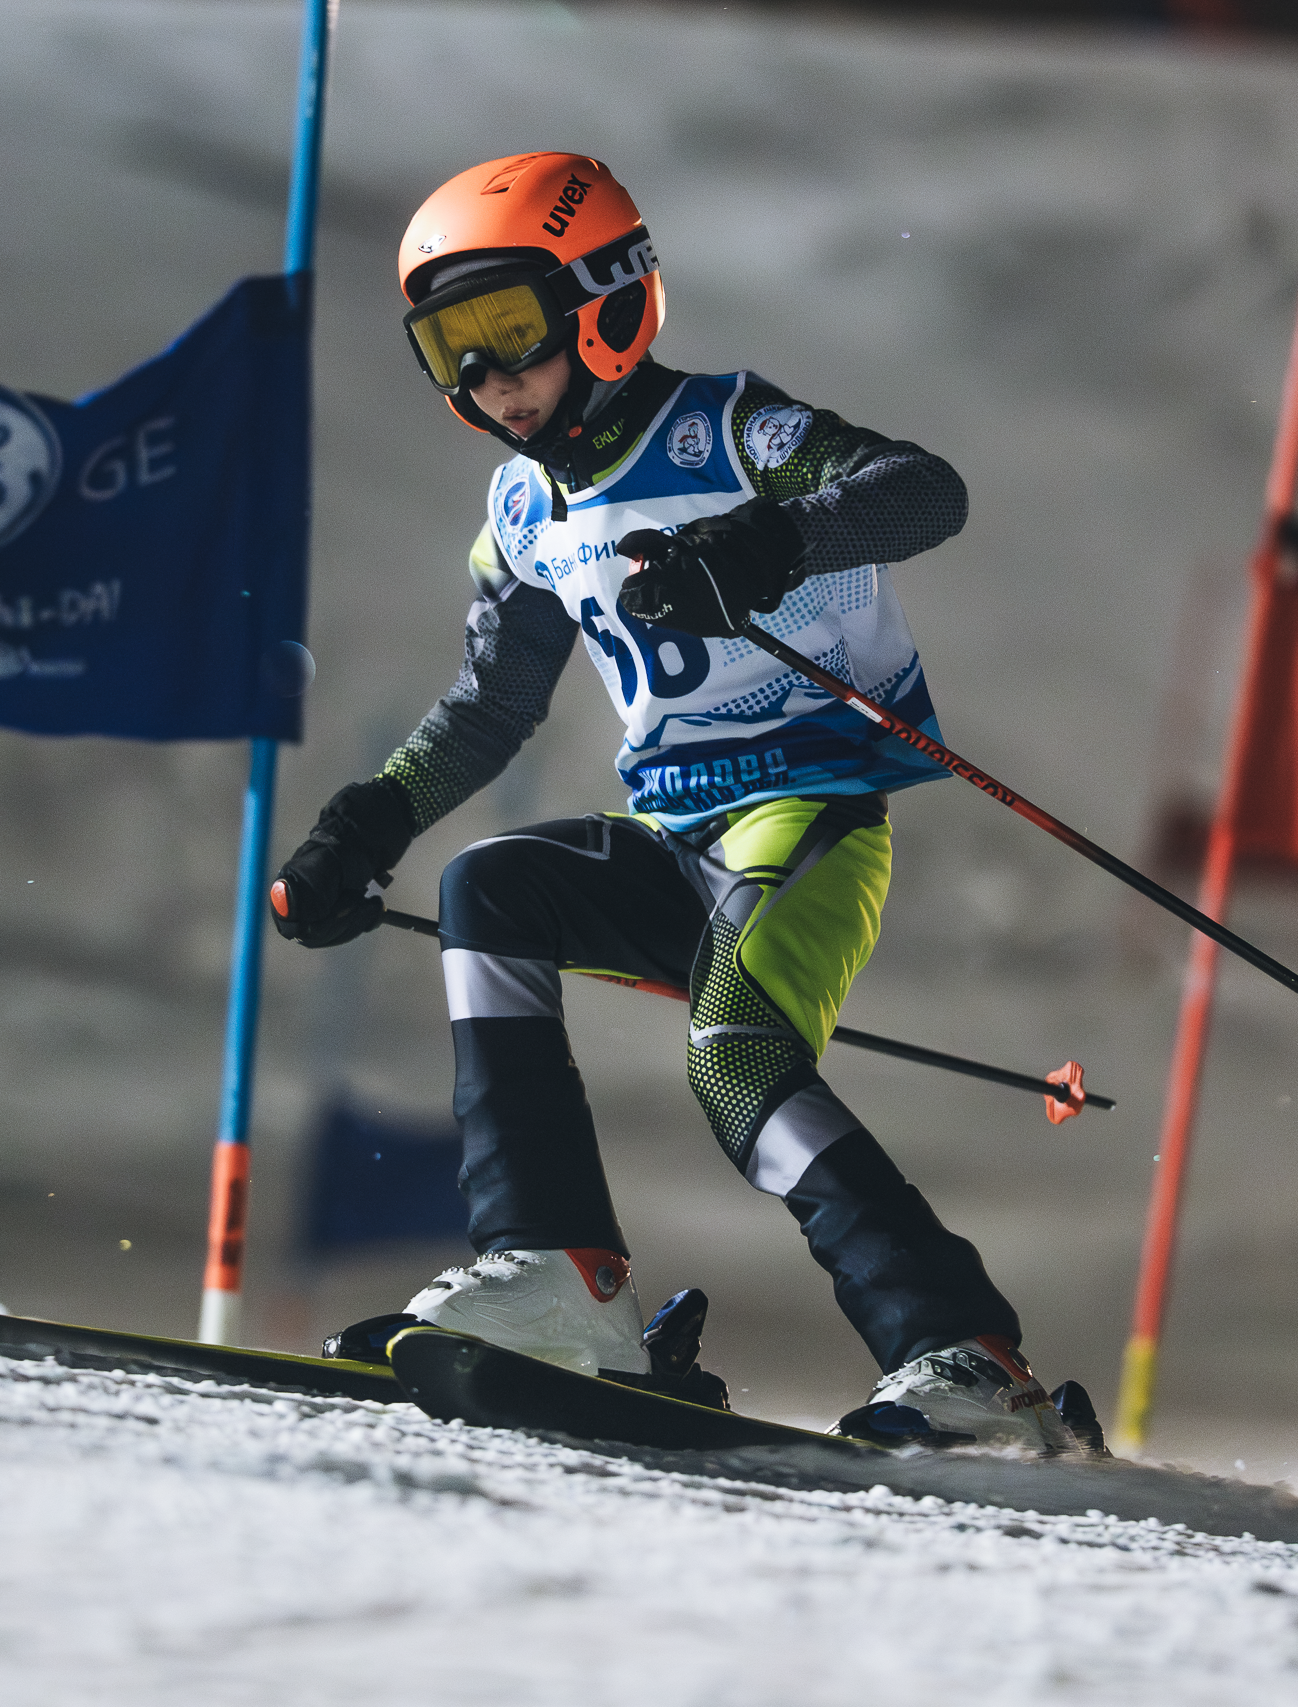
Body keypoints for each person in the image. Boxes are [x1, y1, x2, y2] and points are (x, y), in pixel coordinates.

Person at [269, 152, 1088, 1451]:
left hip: (805, 811)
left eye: (505, 333)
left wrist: (768, 538)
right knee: (493, 890)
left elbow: (925, 491)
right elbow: (491, 703)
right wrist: (370, 820)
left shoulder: (727, 432)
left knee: (736, 1057)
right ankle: (558, 1273)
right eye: (450, 350)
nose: (486, 381)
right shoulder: (527, 507)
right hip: (680, 838)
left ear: (604, 301)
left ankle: (968, 1356)